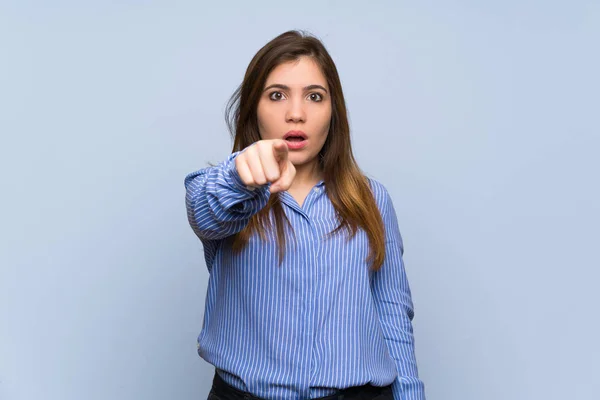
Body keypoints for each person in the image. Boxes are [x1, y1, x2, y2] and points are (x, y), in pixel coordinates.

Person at [184, 30, 426, 400]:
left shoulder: (373, 199)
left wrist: (411, 395)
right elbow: (205, 210)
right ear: (253, 109)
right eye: (277, 95)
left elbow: (392, 310)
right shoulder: (229, 192)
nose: (296, 113)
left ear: (334, 112)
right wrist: (240, 176)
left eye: (315, 97)